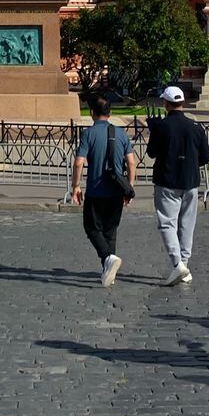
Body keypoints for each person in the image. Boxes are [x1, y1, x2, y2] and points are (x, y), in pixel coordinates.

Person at [146, 85, 209, 286]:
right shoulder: (195, 126)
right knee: (187, 224)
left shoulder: (162, 127)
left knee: (167, 222)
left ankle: (177, 264)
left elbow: (151, 153)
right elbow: (206, 157)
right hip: (190, 181)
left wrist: (153, 130)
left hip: (167, 180)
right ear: (182, 103)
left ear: (166, 104)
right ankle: (184, 261)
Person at [71, 94, 136, 287]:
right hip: (116, 190)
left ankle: (108, 259)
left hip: (96, 190)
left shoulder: (88, 134)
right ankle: (109, 272)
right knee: (110, 230)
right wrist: (129, 187)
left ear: (92, 113)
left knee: (91, 227)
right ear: (110, 112)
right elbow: (131, 162)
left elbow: (78, 162)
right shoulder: (120, 133)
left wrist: (75, 186)